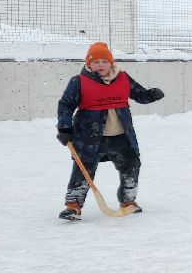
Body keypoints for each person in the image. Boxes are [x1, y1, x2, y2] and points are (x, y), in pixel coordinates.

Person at [54, 42, 164, 221]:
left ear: (111, 63)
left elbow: (139, 94)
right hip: (88, 138)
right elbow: (65, 105)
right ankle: (73, 206)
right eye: (95, 61)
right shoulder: (79, 81)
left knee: (131, 166)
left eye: (104, 61)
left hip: (121, 137)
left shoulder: (123, 78)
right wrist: (65, 128)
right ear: (88, 64)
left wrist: (151, 95)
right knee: (83, 170)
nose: (100, 65)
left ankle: (128, 202)